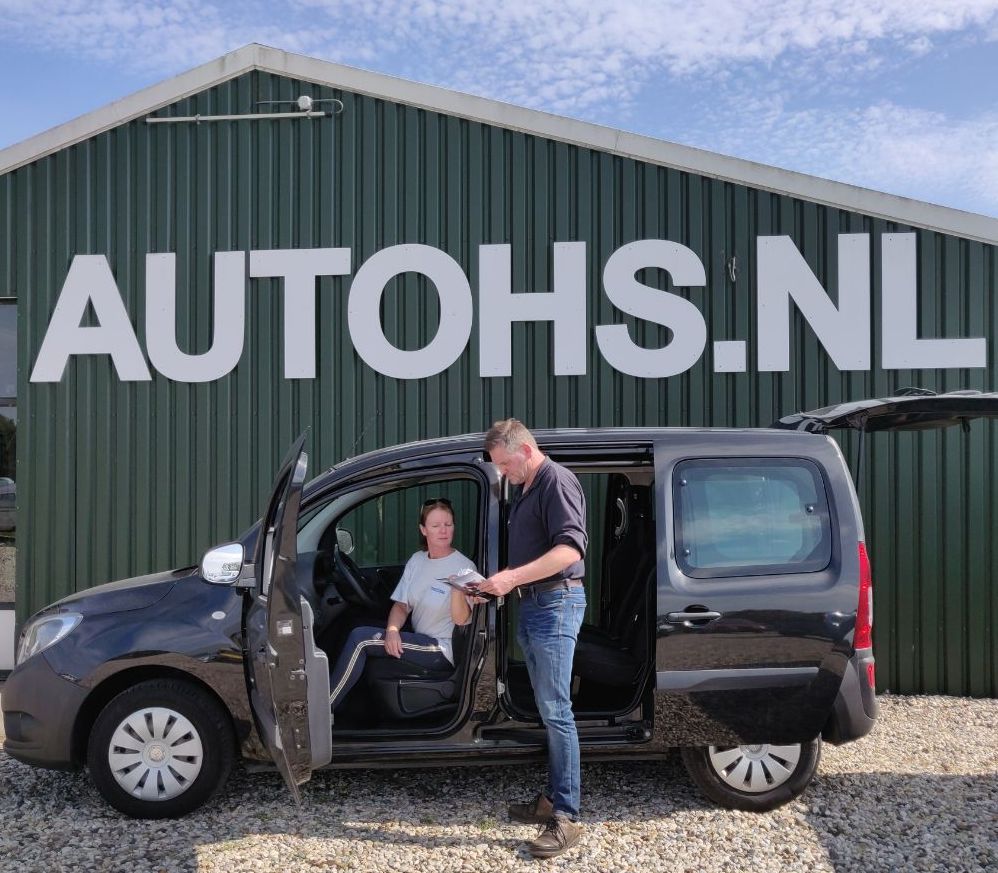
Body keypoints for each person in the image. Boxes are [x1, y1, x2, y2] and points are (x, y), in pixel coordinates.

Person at [476, 419, 587, 859]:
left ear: (524, 451)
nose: (502, 473)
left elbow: (570, 550)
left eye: (504, 463)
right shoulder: (527, 488)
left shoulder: (556, 481)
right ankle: (551, 798)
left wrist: (511, 578)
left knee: (558, 710)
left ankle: (568, 817)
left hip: (555, 604)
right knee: (548, 707)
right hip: (535, 604)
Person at [327, 498, 474, 714]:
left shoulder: (464, 567)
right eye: (436, 526)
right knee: (354, 623)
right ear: (423, 530)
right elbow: (401, 607)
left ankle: (323, 710)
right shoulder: (417, 560)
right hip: (419, 636)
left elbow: (462, 620)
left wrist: (456, 591)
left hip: (441, 648)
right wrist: (393, 630)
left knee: (361, 640)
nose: (443, 531)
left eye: (448, 524)